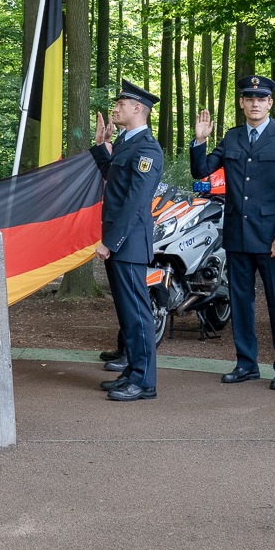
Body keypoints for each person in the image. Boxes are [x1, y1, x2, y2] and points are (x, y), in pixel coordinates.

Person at [191, 75, 275, 390]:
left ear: (270, 103)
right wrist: (200, 142)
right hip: (238, 233)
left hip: (271, 238)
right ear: (241, 103)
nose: (254, 103)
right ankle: (246, 363)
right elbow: (202, 171)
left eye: (261, 98)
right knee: (240, 301)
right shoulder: (232, 137)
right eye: (249, 98)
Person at [91, 79, 164, 402]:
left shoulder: (147, 149)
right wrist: (100, 146)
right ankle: (132, 371)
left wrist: (111, 241)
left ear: (138, 109)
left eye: (121, 104)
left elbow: (136, 201)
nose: (115, 108)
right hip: (120, 242)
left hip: (128, 243)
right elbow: (113, 178)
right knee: (126, 314)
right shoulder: (124, 142)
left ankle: (145, 382)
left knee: (138, 315)